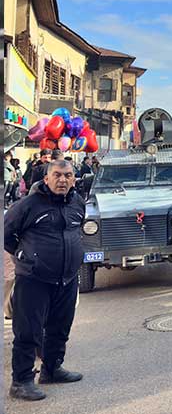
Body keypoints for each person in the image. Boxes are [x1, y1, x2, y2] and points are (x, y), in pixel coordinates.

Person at [4, 160, 85, 401]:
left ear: (74, 179)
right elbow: (7, 235)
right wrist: (27, 256)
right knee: (28, 332)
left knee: (60, 327)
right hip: (34, 279)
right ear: (47, 179)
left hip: (67, 278)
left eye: (68, 176)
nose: (62, 180)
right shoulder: (27, 205)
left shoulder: (77, 203)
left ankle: (51, 369)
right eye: (57, 175)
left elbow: (76, 230)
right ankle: (21, 381)